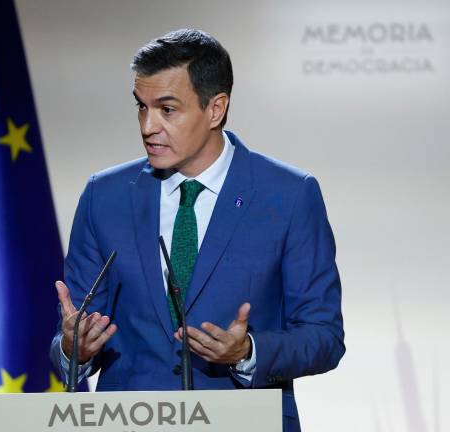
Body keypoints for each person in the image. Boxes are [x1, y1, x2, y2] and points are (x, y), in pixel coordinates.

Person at [49, 29, 345, 431]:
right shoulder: (105, 196)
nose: (148, 126)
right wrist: (73, 347)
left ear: (215, 108)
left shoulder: (289, 196)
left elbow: (324, 336)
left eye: (167, 110)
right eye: (141, 107)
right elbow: (76, 336)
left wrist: (248, 351)